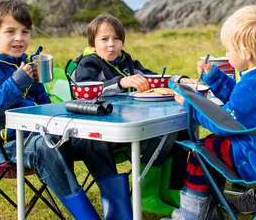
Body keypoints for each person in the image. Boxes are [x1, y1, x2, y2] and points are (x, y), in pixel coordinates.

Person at [0, 0, 131, 220]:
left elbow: (44, 109)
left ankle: (120, 215)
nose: (19, 38)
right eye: (10, 32)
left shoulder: (27, 63)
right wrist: (14, 85)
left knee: (91, 138)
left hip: (38, 136)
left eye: (25, 31)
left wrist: (39, 88)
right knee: (46, 145)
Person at [168, 5, 256, 220]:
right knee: (214, 146)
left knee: (203, 151)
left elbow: (225, 124)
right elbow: (239, 104)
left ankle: (193, 215)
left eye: (228, 50)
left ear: (246, 52)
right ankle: (210, 210)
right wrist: (213, 76)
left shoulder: (254, 86)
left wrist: (191, 104)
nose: (226, 55)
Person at [75, 13, 182, 216]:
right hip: (104, 133)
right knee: (163, 134)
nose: (111, 45)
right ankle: (145, 197)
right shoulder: (88, 63)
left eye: (116, 39)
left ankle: (167, 191)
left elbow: (151, 76)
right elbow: (85, 90)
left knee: (176, 129)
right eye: (104, 39)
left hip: (132, 124)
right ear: (92, 44)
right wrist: (120, 82)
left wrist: (178, 80)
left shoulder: (127, 60)